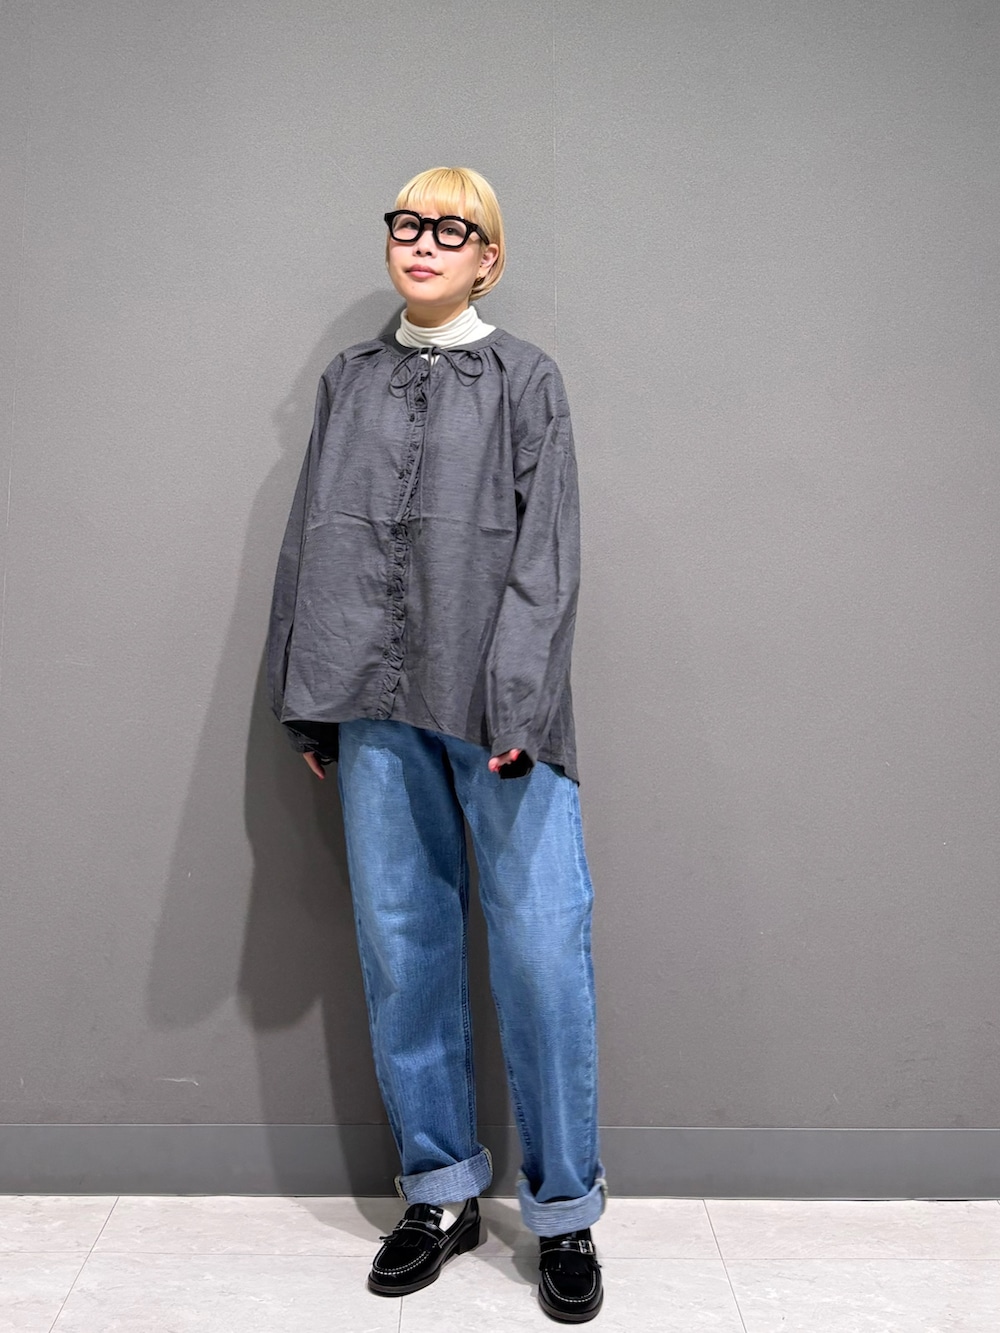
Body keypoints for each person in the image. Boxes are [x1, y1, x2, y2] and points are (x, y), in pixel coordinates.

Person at [266, 166, 606, 1323]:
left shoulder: (525, 379)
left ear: (486, 258)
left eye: (450, 230)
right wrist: (308, 693)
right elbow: (314, 532)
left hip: (501, 714)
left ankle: (563, 1213)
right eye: (407, 223)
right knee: (404, 948)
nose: (422, 243)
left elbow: (548, 552)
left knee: (542, 951)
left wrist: (516, 703)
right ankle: (441, 1191)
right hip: (371, 698)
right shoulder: (348, 381)